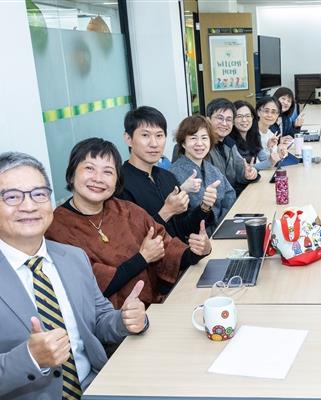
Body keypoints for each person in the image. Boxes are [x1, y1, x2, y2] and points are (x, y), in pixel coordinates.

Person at [0, 152, 176, 400]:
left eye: (39, 194)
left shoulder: (71, 257)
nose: (29, 205)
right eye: (11, 196)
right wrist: (31, 358)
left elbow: (99, 320)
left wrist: (124, 319)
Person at [46, 138, 211, 309]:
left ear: (116, 180)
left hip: (153, 309)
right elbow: (90, 286)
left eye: (108, 172)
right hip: (109, 324)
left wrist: (197, 251)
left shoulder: (126, 210)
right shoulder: (56, 226)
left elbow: (167, 248)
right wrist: (142, 258)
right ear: (71, 174)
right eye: (89, 169)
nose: (98, 178)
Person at [116, 105, 208, 243]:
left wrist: (205, 207)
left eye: (159, 135)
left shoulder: (167, 176)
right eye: (145, 135)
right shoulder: (120, 183)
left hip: (182, 258)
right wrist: (167, 211)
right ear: (128, 139)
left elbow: (183, 228)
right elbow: (131, 241)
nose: (154, 143)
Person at [170, 115, 237, 234]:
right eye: (193, 138)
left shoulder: (212, 169)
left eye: (204, 138)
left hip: (221, 229)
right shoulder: (174, 172)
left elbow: (230, 195)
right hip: (195, 237)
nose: (199, 143)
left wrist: (221, 222)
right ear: (183, 143)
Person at [204, 98, 260, 196]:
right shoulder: (202, 147)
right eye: (220, 118)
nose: (224, 123)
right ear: (208, 120)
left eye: (229, 119)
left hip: (230, 200)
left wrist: (249, 174)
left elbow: (240, 170)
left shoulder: (229, 144)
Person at [230, 99, 279, 171]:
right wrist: (270, 162)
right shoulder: (230, 142)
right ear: (232, 120)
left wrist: (275, 156)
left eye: (247, 116)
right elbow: (242, 169)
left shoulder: (254, 135)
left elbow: (264, 159)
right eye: (239, 116)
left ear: (252, 118)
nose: (244, 120)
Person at [256, 96, 290, 165]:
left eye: (274, 112)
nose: (269, 115)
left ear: (278, 115)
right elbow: (257, 166)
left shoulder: (271, 135)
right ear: (258, 112)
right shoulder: (251, 134)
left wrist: (279, 155)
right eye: (266, 111)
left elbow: (272, 162)